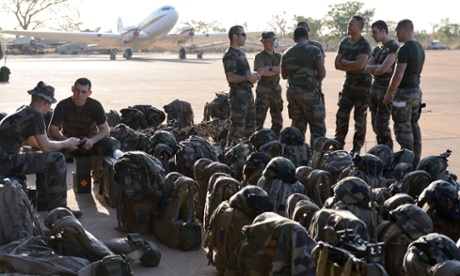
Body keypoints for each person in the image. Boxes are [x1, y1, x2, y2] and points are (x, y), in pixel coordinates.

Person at [0, 81, 82, 217]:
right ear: (45, 102)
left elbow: (34, 142)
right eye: (49, 104)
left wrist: (57, 143)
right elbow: (46, 146)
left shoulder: (24, 111)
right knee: (57, 158)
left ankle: (43, 202)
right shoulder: (35, 116)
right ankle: (60, 209)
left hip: (4, 159)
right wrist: (66, 143)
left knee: (44, 156)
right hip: (5, 162)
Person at [48, 77, 120, 182]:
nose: (79, 94)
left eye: (83, 92)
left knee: (112, 144)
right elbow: (52, 129)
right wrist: (66, 141)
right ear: (72, 89)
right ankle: (55, 181)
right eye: (77, 90)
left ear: (89, 93)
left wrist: (92, 141)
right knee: (50, 145)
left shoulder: (95, 105)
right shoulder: (63, 105)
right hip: (68, 143)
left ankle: (100, 173)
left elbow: (105, 130)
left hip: (90, 143)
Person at [384, 19, 425, 166]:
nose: (396, 34)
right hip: (416, 92)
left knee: (402, 127)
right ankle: (415, 161)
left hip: (404, 94)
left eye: (396, 31)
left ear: (402, 29)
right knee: (414, 125)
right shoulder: (419, 47)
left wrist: (388, 94)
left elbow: (398, 74)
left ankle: (406, 163)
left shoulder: (405, 48)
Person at [281, 27, 326, 148]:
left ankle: (297, 157)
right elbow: (322, 73)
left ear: (294, 39)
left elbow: (284, 75)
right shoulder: (314, 50)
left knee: (297, 127)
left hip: (293, 94)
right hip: (309, 93)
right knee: (318, 128)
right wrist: (313, 80)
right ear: (307, 37)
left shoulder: (286, 53)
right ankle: (317, 157)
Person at [334, 15, 372, 156]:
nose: (348, 26)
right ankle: (338, 145)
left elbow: (359, 65)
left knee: (359, 119)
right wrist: (351, 64)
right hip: (348, 86)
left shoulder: (364, 44)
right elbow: (336, 64)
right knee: (341, 116)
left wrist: (345, 62)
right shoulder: (344, 42)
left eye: (351, 25)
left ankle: (356, 148)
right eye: (348, 24)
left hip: (363, 88)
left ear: (359, 28)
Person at [364, 20, 400, 150]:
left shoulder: (393, 47)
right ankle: (382, 151)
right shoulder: (378, 49)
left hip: (386, 89)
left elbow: (382, 70)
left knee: (382, 125)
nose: (372, 35)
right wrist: (380, 67)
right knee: (375, 124)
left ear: (383, 31)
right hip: (375, 88)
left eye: (374, 32)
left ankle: (387, 152)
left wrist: (380, 68)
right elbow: (366, 68)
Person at [222, 25, 259, 147]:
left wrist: (253, 76)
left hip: (247, 94)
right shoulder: (230, 55)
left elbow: (243, 74)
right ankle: (231, 154)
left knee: (250, 128)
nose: (245, 37)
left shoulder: (241, 53)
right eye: (243, 35)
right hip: (238, 96)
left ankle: (247, 155)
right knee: (237, 129)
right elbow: (231, 77)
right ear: (235, 36)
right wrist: (248, 78)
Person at [253, 31, 283, 136]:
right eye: (268, 41)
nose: (271, 43)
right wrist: (274, 70)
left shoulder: (279, 56)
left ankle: (275, 140)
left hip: (276, 90)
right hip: (263, 91)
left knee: (278, 120)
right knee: (258, 119)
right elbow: (261, 71)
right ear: (263, 43)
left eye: (273, 41)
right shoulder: (259, 57)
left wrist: (269, 68)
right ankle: (258, 140)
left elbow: (282, 70)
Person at [297, 21, 326, 104]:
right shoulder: (295, 48)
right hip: (299, 84)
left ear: (308, 31)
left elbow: (321, 65)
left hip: (314, 82)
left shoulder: (316, 45)